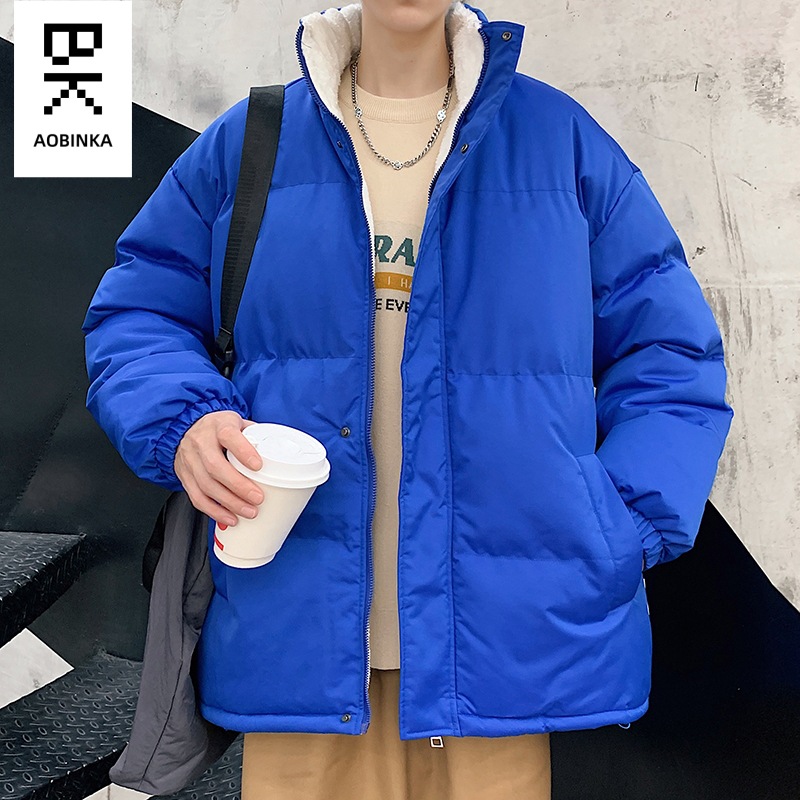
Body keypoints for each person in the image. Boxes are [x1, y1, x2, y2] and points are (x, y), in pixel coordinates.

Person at [81, 1, 734, 798]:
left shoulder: (560, 143)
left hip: (500, 652)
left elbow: (671, 354)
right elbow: (138, 313)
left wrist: (619, 524)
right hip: (298, 640)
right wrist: (184, 421)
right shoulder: (252, 142)